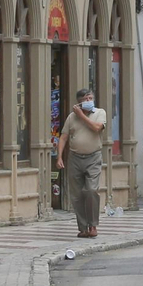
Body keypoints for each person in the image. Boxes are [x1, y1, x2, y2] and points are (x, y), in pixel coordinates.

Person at [57, 88, 108, 238]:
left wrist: (81, 116)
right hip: (75, 158)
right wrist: (59, 157)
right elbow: (64, 137)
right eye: (85, 99)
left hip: (93, 157)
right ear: (79, 102)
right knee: (77, 195)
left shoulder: (99, 113)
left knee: (91, 190)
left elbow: (97, 128)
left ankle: (93, 225)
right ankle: (83, 227)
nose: (88, 101)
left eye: (90, 98)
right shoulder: (71, 117)